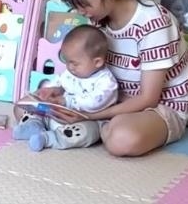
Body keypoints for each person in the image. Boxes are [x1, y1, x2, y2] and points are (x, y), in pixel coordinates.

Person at [49, 0, 188, 157]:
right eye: (76, 6)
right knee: (25, 107)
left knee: (121, 139)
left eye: (85, 4)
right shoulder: (99, 18)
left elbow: (149, 99)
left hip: (159, 109)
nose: (81, 12)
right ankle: (96, 127)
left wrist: (90, 115)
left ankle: (96, 127)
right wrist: (59, 91)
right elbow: (91, 69)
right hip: (109, 99)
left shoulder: (153, 22)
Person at [12, 24, 118, 152]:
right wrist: (50, 90)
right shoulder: (72, 72)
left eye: (74, 63)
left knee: (87, 132)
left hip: (84, 120)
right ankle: (34, 126)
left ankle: (49, 138)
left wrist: (66, 101)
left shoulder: (106, 82)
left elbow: (94, 102)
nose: (69, 67)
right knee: (25, 107)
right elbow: (60, 80)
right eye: (67, 61)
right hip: (57, 115)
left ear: (97, 62)